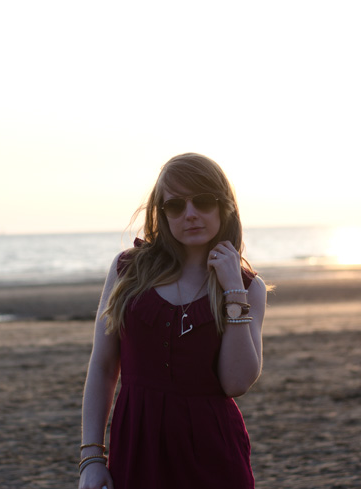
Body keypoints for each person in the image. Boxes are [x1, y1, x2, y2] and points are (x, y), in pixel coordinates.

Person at [78, 153, 267, 489]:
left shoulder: (248, 287)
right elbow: (104, 366)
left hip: (214, 455)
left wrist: (232, 291)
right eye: (176, 206)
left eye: (203, 201)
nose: (191, 214)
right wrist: (91, 459)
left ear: (225, 207)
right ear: (161, 213)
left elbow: (236, 382)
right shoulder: (127, 270)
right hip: (136, 447)